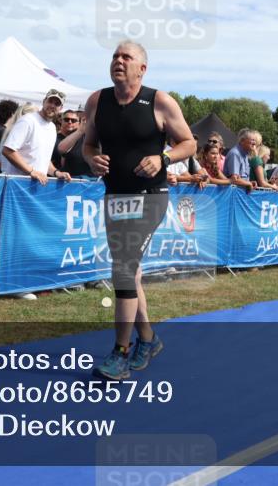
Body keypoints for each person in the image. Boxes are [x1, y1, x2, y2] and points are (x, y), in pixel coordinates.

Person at [82, 41, 196, 381]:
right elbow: (88, 144)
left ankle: (121, 351)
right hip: (115, 195)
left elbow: (189, 143)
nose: (118, 61)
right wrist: (91, 159)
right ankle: (148, 339)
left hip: (151, 196)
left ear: (141, 68)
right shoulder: (96, 101)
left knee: (123, 267)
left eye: (126, 57)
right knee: (129, 272)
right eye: (115, 56)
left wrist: (162, 158)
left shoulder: (159, 101)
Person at [0, 89, 71, 184]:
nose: (52, 105)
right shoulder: (28, 121)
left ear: (61, 108)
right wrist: (31, 171)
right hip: (16, 184)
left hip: (35, 187)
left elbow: (43, 159)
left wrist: (56, 172)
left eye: (57, 104)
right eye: (50, 101)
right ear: (44, 101)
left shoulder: (52, 128)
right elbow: (8, 150)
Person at [53, 109, 92, 178]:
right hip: (56, 179)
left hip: (81, 181)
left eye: (73, 120)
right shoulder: (53, 138)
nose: (70, 122)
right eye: (66, 119)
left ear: (79, 123)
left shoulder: (84, 138)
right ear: (61, 121)